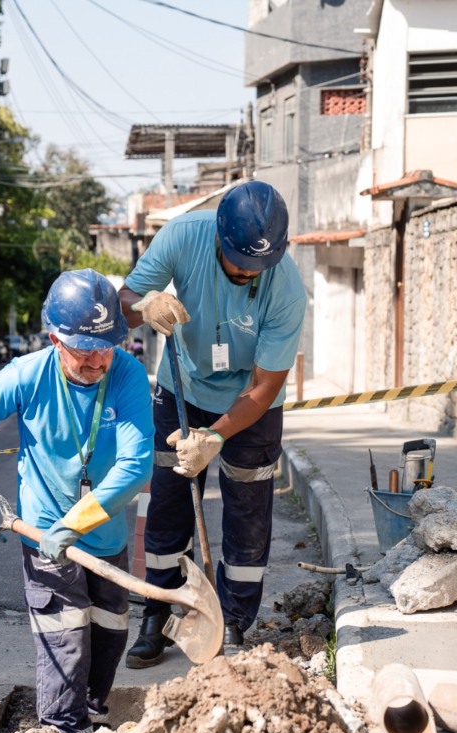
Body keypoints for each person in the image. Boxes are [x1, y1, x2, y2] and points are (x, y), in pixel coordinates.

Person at [117, 179, 306, 668]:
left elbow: (264, 386)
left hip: (251, 407)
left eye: (257, 265)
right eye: (238, 261)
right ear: (220, 239)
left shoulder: (286, 288)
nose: (246, 272)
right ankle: (158, 613)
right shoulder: (182, 236)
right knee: (168, 502)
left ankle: (234, 621)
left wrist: (218, 436)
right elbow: (124, 301)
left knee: (247, 509)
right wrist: (144, 303)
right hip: (184, 390)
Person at [0, 269, 154, 733]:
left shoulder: (127, 376)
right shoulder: (28, 374)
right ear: (54, 339)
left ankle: (91, 710)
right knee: (64, 631)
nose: (96, 360)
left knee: (111, 628)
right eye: (83, 350)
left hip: (103, 530)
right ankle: (63, 730)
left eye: (105, 346)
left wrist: (78, 523)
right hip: (43, 529)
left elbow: (136, 465)